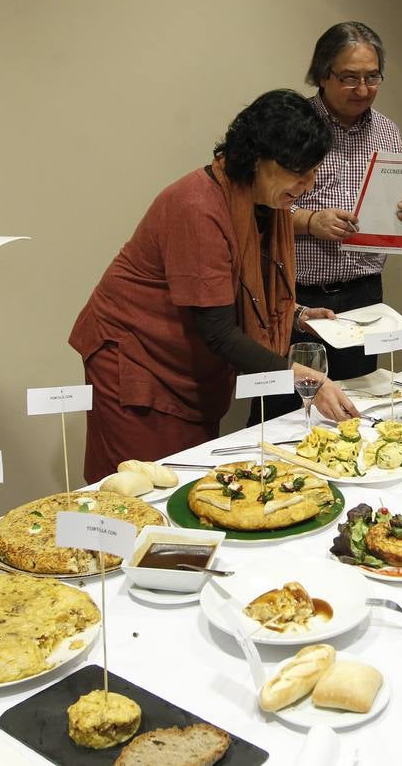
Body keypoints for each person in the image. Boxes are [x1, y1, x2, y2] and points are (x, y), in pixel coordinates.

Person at [70, 90, 360, 483]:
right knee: (144, 491)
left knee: (189, 481)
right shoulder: (198, 206)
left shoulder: (260, 202)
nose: (308, 186)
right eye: (299, 172)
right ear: (257, 160)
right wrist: (307, 377)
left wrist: (294, 314)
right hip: (138, 358)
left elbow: (240, 283)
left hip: (189, 362)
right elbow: (219, 331)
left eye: (314, 172)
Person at [288, 22, 402, 381]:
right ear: (322, 75)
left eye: (373, 77)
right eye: (350, 78)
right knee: (290, 411)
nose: (363, 89)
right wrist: (308, 220)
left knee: (358, 403)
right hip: (297, 297)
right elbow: (255, 211)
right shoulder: (291, 126)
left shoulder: (387, 130)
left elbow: (393, 217)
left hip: (363, 294)